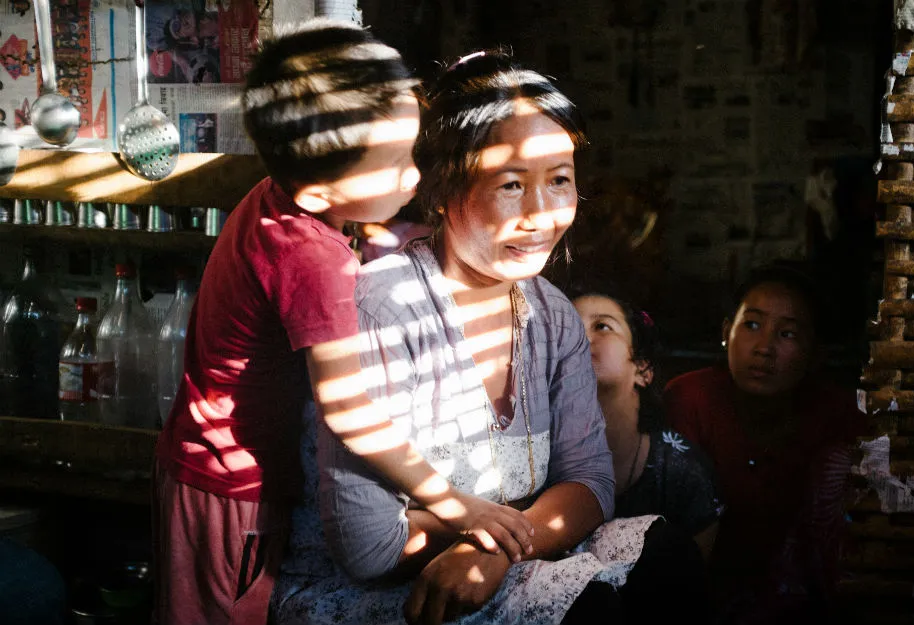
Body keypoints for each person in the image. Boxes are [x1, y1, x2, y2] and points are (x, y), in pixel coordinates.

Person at [273, 50, 704, 625]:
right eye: (510, 184)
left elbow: (591, 484)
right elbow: (370, 546)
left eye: (559, 182)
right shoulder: (383, 306)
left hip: (496, 560)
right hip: (376, 593)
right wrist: (501, 532)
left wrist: (491, 547)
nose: (540, 214)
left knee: (666, 559)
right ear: (445, 186)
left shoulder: (550, 315)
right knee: (593, 609)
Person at [154, 23, 530, 625]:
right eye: (398, 164)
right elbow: (347, 411)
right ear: (319, 192)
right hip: (234, 488)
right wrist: (455, 503)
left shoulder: (278, 197)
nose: (414, 176)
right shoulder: (312, 260)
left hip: (209, 462)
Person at [663, 263, 866, 625]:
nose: (764, 348)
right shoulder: (689, 398)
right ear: (727, 332)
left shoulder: (838, 415)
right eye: (752, 325)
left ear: (815, 353)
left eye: (787, 334)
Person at [572, 291, 722, 561]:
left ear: (642, 369)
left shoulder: (683, 471)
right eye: (569, 326)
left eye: (602, 326)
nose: (577, 337)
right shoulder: (538, 457)